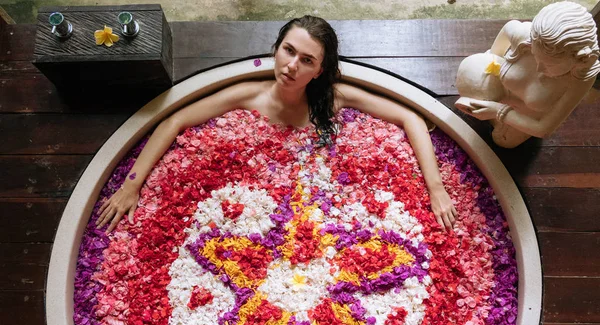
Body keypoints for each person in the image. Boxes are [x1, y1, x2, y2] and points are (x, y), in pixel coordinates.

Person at [97, 15, 457, 233]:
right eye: (288, 50)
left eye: (306, 60)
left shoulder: (334, 98)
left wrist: (436, 188)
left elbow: (409, 116)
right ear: (276, 47)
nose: (291, 66)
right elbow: (175, 120)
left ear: (318, 71)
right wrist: (133, 184)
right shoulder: (247, 95)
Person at [457, 1, 600, 148]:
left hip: (524, 116)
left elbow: (543, 129)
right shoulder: (524, 35)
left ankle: (497, 119)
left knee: (503, 140)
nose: (539, 68)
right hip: (501, 93)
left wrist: (498, 111)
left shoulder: (582, 77)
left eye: (549, 65)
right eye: (535, 55)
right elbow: (492, 56)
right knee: (471, 70)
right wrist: (488, 80)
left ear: (577, 60)